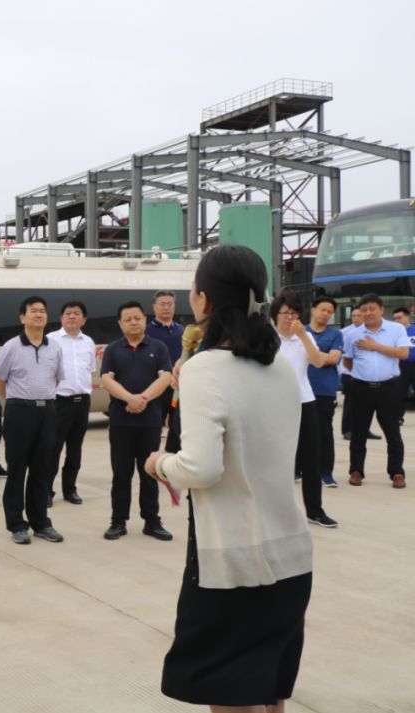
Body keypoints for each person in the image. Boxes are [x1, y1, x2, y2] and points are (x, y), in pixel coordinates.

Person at [142, 244, 313, 712]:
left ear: (203, 302)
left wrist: (158, 464)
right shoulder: (278, 363)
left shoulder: (204, 368)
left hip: (232, 563)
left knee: (229, 693)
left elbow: (200, 468)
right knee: (271, 686)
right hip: (291, 552)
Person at [0, 296, 66, 545]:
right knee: (17, 469)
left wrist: (40, 399)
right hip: (18, 413)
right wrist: (15, 401)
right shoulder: (11, 346)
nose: (39, 314)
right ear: (22, 317)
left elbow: (56, 379)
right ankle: (16, 524)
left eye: (43, 311)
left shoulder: (54, 347)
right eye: (33, 311)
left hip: (47, 412)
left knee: (42, 469)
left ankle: (41, 522)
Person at [99, 301, 173, 542]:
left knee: (150, 473)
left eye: (137, 318)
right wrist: (129, 398)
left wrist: (143, 399)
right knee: (121, 473)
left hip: (150, 422)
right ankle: (118, 521)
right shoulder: (112, 349)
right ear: (120, 324)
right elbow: (106, 380)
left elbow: (166, 377)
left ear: (144, 320)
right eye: (128, 319)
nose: (133, 322)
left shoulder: (158, 347)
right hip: (121, 422)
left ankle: (152, 521)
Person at [271, 292, 338, 527]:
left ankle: (315, 510)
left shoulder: (305, 336)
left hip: (305, 401)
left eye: (295, 313)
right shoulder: (268, 339)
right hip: (275, 405)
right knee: (278, 461)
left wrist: (302, 335)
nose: (290, 317)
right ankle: (277, 513)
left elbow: (318, 362)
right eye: (285, 313)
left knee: (311, 458)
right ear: (276, 315)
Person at [344, 293, 409, 489]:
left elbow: (403, 353)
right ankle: (356, 471)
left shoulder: (395, 329)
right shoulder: (353, 335)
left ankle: (397, 473)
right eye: (364, 310)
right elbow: (348, 360)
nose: (368, 313)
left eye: (372, 309)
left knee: (392, 432)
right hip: (361, 388)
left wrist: (375, 346)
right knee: (358, 432)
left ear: (381, 309)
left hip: (388, 388)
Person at [47, 301, 95, 506]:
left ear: (83, 319)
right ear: (61, 318)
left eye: (76, 314)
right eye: (68, 313)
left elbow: (90, 370)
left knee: (75, 449)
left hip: (82, 402)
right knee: (52, 449)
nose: (72, 317)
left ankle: (70, 489)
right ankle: (46, 491)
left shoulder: (88, 342)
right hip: (59, 403)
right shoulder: (51, 339)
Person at [307, 297, 346, 488]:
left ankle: (326, 473)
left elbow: (333, 359)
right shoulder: (301, 331)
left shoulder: (335, 334)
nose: (326, 314)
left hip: (324, 390)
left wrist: (312, 355)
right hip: (301, 388)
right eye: (323, 310)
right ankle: (298, 469)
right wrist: (322, 356)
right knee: (299, 431)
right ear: (313, 310)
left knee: (324, 432)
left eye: (330, 312)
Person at [147, 290, 184, 454]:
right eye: (163, 304)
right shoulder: (147, 332)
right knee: (154, 428)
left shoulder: (182, 331)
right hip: (158, 388)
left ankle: (173, 460)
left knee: (179, 427)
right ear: (154, 307)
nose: (167, 307)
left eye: (170, 304)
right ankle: (150, 459)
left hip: (179, 388)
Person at [339, 307, 381, 441]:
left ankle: (364, 429)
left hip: (367, 374)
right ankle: (347, 430)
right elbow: (343, 356)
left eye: (359, 315)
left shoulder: (371, 332)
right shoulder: (345, 333)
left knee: (366, 404)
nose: (356, 318)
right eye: (354, 316)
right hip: (349, 373)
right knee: (350, 404)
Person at [393, 307, 415, 409]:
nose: (397, 320)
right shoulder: (393, 333)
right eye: (395, 318)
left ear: (407, 317)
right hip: (401, 365)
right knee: (399, 393)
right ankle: (398, 417)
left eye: (399, 318)